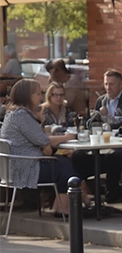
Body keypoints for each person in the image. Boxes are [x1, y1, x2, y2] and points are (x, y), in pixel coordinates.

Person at [1, 79, 79, 216]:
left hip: (15, 167)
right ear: (27, 96)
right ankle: (62, 207)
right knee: (65, 164)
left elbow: (42, 143)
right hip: (25, 170)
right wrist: (69, 137)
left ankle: (59, 206)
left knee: (61, 161)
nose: (41, 97)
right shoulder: (21, 115)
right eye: (37, 94)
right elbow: (43, 139)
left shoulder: (13, 114)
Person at [72, 69, 122, 203]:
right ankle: (91, 191)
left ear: (121, 85)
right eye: (106, 84)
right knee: (78, 155)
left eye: (112, 84)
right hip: (102, 142)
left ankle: (113, 191)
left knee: (112, 157)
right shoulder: (100, 101)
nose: (108, 87)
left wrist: (108, 116)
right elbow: (94, 123)